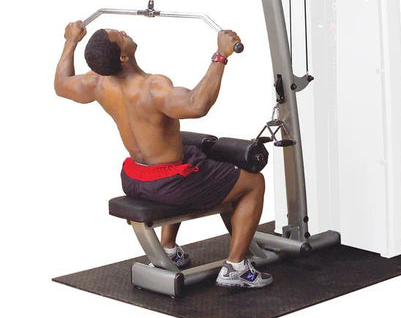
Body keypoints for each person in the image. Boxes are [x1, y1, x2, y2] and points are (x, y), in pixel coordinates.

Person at [54, 21, 272, 289]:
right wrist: (221, 56)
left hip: (134, 179)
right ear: (123, 58)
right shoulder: (152, 87)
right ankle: (235, 268)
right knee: (253, 183)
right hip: (172, 186)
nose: (124, 31)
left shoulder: (97, 83)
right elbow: (197, 105)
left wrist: (71, 41)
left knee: (188, 153)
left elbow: (61, 84)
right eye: (119, 36)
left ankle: (169, 249)